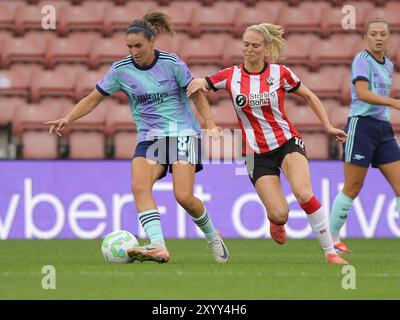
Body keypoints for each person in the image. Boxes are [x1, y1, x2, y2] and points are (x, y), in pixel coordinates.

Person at [45, 12, 229, 264]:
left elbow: (196, 94)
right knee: (139, 186)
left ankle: (212, 235)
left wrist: (209, 122)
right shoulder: (120, 70)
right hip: (150, 138)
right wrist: (68, 118)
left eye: (138, 46)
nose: (134, 51)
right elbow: (93, 98)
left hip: (182, 133)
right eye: (129, 47)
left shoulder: (172, 63)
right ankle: (158, 246)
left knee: (183, 196)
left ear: (152, 41)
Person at [187, 23, 348, 264]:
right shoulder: (231, 76)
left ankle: (330, 253)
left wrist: (327, 125)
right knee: (280, 214)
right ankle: (276, 221)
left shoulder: (280, 73)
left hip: (286, 142)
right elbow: (199, 86)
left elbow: (309, 96)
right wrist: (208, 117)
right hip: (255, 154)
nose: (249, 50)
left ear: (266, 48)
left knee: (304, 193)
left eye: (255, 45)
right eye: (245, 45)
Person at [330, 18, 400, 253]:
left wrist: (388, 107)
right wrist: (393, 102)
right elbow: (362, 93)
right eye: (374, 34)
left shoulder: (388, 64)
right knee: (353, 186)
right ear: (367, 37)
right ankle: (332, 238)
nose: (379, 37)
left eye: (383, 34)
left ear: (388, 37)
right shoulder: (362, 59)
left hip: (383, 128)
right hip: (362, 127)